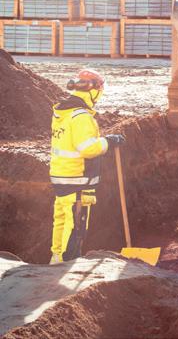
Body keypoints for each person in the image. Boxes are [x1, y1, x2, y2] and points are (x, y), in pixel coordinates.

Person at [49, 69, 125, 263]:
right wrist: (108, 142)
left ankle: (56, 258)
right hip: (77, 179)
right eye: (100, 90)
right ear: (93, 91)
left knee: (62, 221)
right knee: (75, 226)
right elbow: (87, 148)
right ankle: (65, 264)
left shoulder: (64, 112)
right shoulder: (81, 116)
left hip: (63, 175)